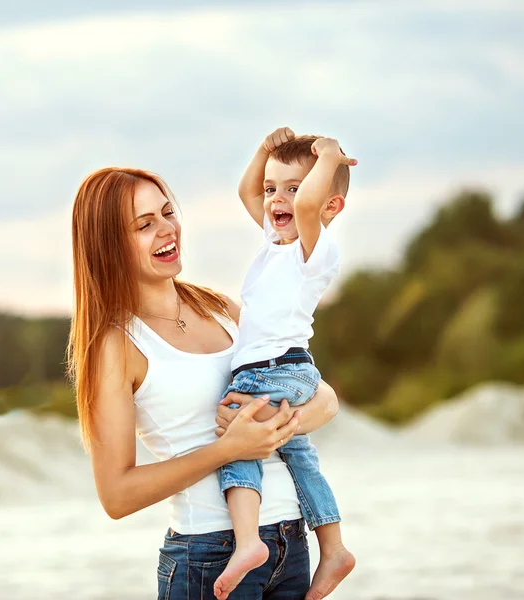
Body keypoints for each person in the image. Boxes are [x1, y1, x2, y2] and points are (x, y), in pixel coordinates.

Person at [67, 166, 342, 599]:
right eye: (144, 225)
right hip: (208, 553)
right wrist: (228, 449)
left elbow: (323, 396)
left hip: (290, 543)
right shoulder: (115, 346)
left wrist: (275, 426)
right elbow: (116, 495)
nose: (166, 229)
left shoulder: (222, 308)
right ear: (109, 246)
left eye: (167, 212)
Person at [214, 128, 357, 600]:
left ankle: (249, 541)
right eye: (273, 188)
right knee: (299, 455)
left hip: (272, 370)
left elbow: (306, 208)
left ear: (327, 206)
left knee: (238, 443)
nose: (277, 199)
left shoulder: (311, 253)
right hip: (287, 370)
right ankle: (333, 547)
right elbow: (246, 190)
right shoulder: (272, 244)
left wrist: (330, 157)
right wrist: (263, 152)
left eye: (293, 189)